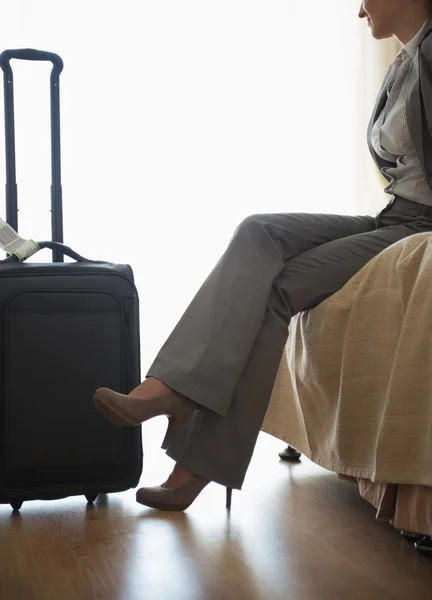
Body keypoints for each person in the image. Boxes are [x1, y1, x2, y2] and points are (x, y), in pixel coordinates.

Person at [94, 0, 432, 511]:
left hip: (421, 222)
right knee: (259, 232)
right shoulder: (404, 61)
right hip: (393, 216)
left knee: (276, 291)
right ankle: (169, 388)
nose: (359, 12)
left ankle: (192, 460)